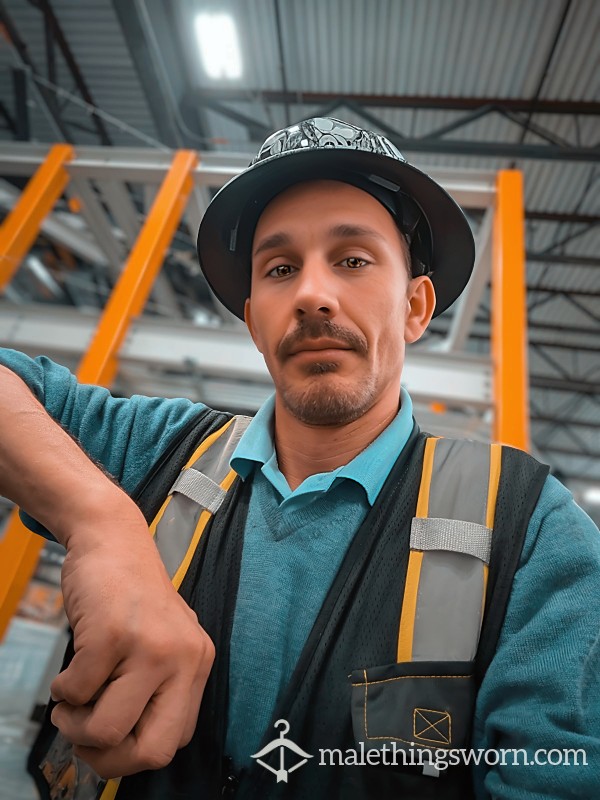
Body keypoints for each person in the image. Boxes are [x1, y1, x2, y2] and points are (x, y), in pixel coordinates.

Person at [0, 117, 598, 800]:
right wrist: (99, 520)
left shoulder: (529, 527)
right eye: (281, 269)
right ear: (255, 321)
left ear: (415, 306)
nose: (313, 294)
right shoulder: (155, 451)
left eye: (352, 260)